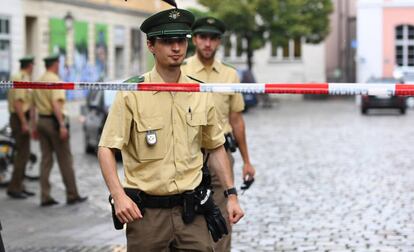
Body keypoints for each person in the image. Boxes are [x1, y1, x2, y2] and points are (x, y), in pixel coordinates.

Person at [97, 8, 244, 251]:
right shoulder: (132, 92)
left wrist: (231, 195)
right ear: (151, 45)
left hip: (192, 213)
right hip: (147, 217)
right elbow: (106, 148)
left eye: (180, 40)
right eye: (167, 41)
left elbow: (216, 147)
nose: (176, 47)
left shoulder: (200, 92)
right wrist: (118, 196)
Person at [181, 17, 256, 252]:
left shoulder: (230, 75)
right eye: (203, 37)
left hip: (221, 151)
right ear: (194, 39)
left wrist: (246, 161)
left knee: (225, 214)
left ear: (219, 42)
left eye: (213, 38)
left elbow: (237, 120)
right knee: (188, 214)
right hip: (189, 153)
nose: (207, 43)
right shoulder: (181, 71)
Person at [32, 54, 87, 206]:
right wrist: (62, 125)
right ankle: (72, 194)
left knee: (45, 160)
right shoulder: (55, 81)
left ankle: (45, 196)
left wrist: (33, 125)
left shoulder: (37, 81)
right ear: (55, 64)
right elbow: (56, 103)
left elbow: (32, 106)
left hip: (41, 121)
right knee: (65, 160)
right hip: (54, 122)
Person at [6, 56, 36, 199]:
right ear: (29, 65)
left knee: (24, 153)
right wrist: (24, 122)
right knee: (22, 155)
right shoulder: (20, 77)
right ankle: (14, 187)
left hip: (21, 118)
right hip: (19, 119)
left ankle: (20, 185)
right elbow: (18, 103)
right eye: (33, 65)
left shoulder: (23, 76)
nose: (33, 67)